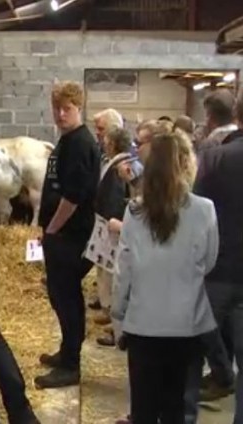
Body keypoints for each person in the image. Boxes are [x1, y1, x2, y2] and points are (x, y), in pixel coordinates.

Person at [111, 129, 219, 424]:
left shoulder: (135, 212)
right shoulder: (205, 211)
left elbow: (124, 270)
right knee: (177, 411)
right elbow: (208, 262)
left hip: (143, 326)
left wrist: (118, 315)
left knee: (143, 409)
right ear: (187, 164)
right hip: (188, 326)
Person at [35, 81, 100, 389]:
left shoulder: (80, 143)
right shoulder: (68, 140)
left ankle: (71, 365)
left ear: (79, 108)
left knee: (68, 298)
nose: (61, 114)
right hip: (61, 235)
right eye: (57, 109)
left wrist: (51, 229)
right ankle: (66, 352)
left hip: (70, 236)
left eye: (67, 109)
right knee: (61, 297)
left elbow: (73, 197)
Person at [190, 88, 243, 416]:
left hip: (219, 268)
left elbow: (196, 217)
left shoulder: (215, 157)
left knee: (195, 344)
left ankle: (185, 413)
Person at [89, 127, 135, 340]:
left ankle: (116, 325)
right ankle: (110, 315)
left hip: (112, 225)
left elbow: (116, 196)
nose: (104, 142)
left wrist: (111, 221)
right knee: (105, 272)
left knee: (112, 274)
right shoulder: (114, 161)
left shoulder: (121, 165)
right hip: (107, 223)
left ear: (114, 143)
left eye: (107, 139)